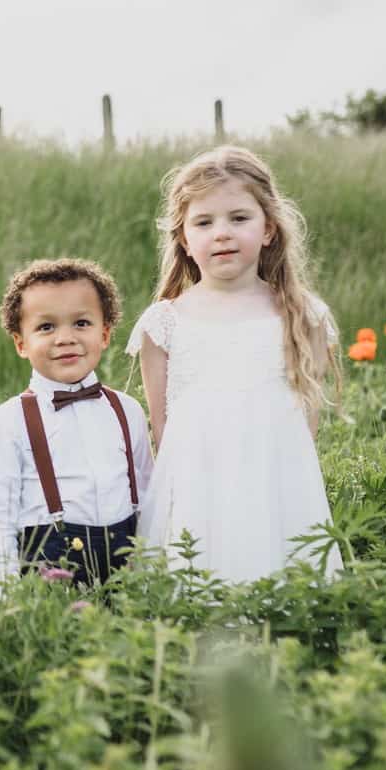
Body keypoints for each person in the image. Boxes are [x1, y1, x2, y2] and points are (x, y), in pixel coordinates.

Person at [126, 145, 342, 581]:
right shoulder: (164, 323)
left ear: (268, 229)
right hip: (197, 492)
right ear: (185, 240)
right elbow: (162, 429)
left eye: (239, 218)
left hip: (276, 487)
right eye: (204, 222)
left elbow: (306, 430)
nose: (221, 233)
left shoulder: (304, 316)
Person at [0, 258, 153, 588]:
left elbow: (147, 498)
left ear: (104, 334)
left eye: (81, 323)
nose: (65, 338)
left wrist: (150, 575)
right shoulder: (9, 420)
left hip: (129, 570)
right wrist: (9, 595)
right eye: (46, 327)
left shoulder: (127, 410)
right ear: (21, 343)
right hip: (49, 573)